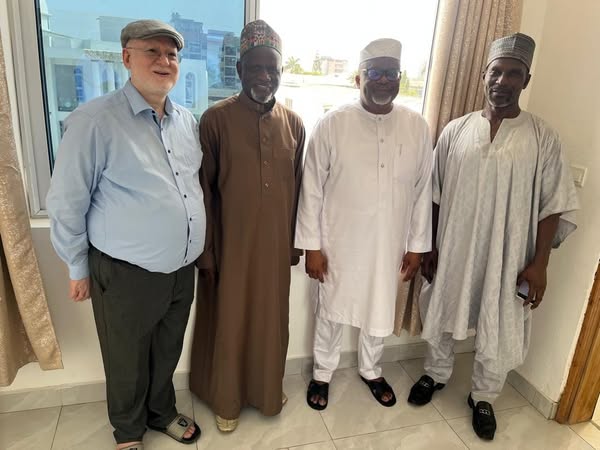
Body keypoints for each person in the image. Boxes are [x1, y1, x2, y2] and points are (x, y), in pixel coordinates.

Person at [407, 33, 579, 441]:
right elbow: (433, 192)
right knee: (446, 305)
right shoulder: (456, 130)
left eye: (514, 73)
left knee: (500, 318)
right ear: (484, 75)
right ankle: (435, 373)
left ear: (526, 79)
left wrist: (540, 264)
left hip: (509, 254)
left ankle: (484, 396)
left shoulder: (543, 137)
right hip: (453, 247)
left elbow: (553, 205)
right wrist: (429, 245)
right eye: (496, 72)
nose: (503, 80)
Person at [46, 19, 203, 450]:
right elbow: (66, 200)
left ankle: (161, 412)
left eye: (171, 54)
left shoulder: (186, 121)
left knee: (167, 348)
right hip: (125, 271)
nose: (164, 61)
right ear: (126, 58)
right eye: (151, 51)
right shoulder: (95, 120)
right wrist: (77, 266)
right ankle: (128, 433)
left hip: (181, 267)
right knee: (126, 357)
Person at [295, 38, 433, 411]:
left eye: (391, 73)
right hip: (337, 243)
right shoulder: (332, 123)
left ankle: (371, 369)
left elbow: (423, 189)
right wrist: (311, 247)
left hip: (390, 244)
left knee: (379, 307)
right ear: (359, 79)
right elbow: (311, 189)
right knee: (330, 311)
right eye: (375, 73)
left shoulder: (417, 126)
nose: (384, 80)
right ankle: (323, 373)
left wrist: (418, 244)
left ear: (400, 78)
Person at [189, 20, 305, 432]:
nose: (264, 76)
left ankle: (265, 388)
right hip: (231, 248)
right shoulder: (215, 120)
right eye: (256, 68)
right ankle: (227, 398)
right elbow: (203, 192)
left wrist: (295, 245)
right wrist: (207, 252)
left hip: (275, 248)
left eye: (272, 69)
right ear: (239, 70)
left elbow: (299, 190)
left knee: (271, 321)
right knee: (230, 321)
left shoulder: (294, 123)